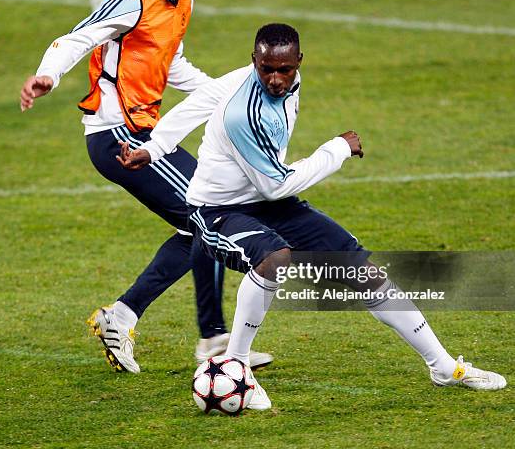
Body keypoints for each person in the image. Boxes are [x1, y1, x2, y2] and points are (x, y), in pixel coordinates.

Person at [118, 22, 507, 408]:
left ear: (299, 62)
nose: (274, 79)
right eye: (266, 69)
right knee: (274, 257)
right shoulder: (243, 114)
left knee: (363, 271)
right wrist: (336, 150)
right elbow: (278, 185)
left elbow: (199, 102)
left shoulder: (277, 81)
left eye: (284, 69)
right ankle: (236, 366)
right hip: (218, 208)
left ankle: (442, 366)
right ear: (253, 61)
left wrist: (154, 148)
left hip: (263, 200)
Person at [19, 0, 273, 375]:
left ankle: (126, 316)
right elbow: (75, 38)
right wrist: (47, 76)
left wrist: (223, 93)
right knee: (214, 219)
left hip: (144, 134)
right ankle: (215, 342)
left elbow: (169, 65)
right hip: (116, 135)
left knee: (197, 226)